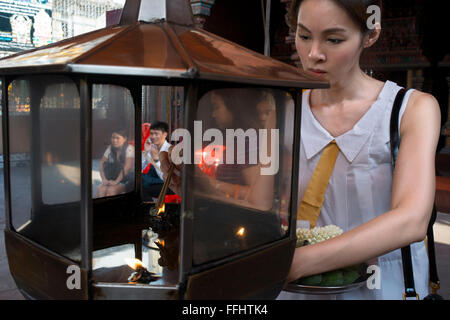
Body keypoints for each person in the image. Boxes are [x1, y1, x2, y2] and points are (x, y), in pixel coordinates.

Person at [275, 0, 441, 300]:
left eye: (334, 39)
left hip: (382, 286)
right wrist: (194, 180)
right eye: (304, 36)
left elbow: (412, 219)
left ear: (370, 35)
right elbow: (261, 205)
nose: (314, 54)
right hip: (301, 290)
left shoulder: (410, 109)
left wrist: (296, 262)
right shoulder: (284, 108)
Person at [160, 89, 277, 211]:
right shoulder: (237, 138)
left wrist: (211, 184)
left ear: (234, 106)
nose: (213, 114)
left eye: (217, 107)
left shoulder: (246, 140)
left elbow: (254, 195)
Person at [97, 128, 135, 197]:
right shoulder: (110, 148)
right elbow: (102, 163)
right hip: (113, 177)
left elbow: (127, 168)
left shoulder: (130, 149)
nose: (114, 140)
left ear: (125, 139)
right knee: (101, 189)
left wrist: (116, 182)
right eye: (113, 137)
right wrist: (104, 179)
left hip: (127, 179)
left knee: (111, 190)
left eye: (117, 138)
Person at [142, 121, 173, 199]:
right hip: (154, 181)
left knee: (142, 190)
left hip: (169, 184)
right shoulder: (152, 148)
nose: (153, 137)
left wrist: (156, 160)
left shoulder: (170, 150)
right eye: (151, 134)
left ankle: (151, 209)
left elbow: (166, 178)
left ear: (165, 134)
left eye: (156, 134)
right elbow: (141, 168)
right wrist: (146, 152)